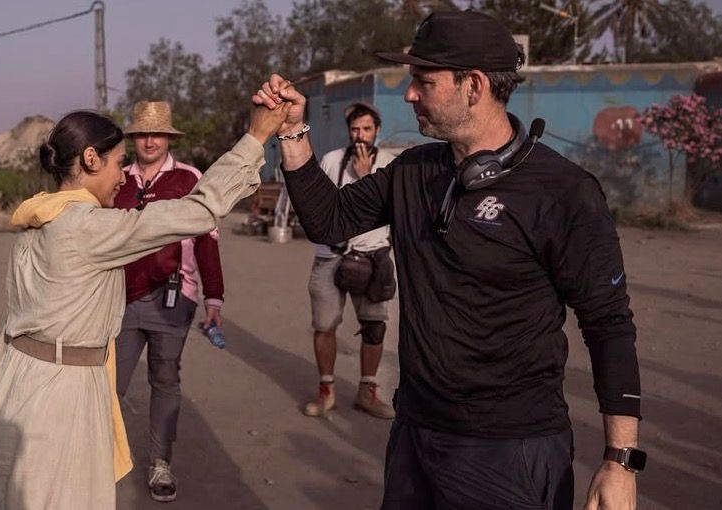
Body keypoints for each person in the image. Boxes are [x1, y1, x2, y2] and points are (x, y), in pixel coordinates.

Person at [254, 10, 643, 510]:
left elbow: (608, 324)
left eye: (424, 81)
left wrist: (619, 461)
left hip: (511, 451)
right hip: (415, 433)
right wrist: (292, 132)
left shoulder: (564, 192)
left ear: (473, 86)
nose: (409, 94)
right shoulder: (412, 171)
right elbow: (329, 221)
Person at [0, 104, 287, 510]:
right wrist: (257, 136)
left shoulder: (39, 215)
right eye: (117, 163)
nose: (123, 176)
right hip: (59, 393)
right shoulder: (86, 226)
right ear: (90, 159)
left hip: (16, 379)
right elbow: (198, 211)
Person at [111, 101, 226, 503]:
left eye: (157, 134)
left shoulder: (188, 178)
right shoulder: (117, 180)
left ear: (169, 138)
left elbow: (207, 240)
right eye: (143, 134)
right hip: (120, 299)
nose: (150, 141)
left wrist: (214, 297)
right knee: (109, 383)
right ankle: (102, 455)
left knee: (164, 379)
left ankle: (160, 462)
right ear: (133, 138)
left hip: (173, 298)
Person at [276, 102, 398, 420]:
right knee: (324, 325)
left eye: (367, 129)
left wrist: (365, 177)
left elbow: (393, 211)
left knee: (374, 327)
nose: (360, 136)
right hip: (330, 255)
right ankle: (326, 390)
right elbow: (317, 204)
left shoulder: (389, 164)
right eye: (355, 129)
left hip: (373, 255)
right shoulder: (331, 160)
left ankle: (367, 391)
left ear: (377, 130)